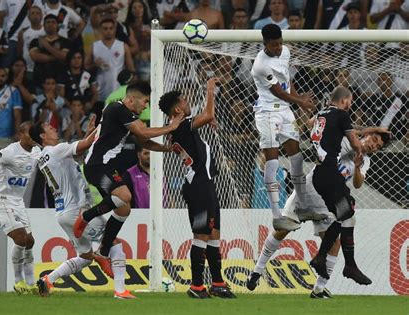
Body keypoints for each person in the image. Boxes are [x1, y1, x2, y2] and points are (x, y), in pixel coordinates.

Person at [246, 127, 390, 297]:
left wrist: (357, 167)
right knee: (282, 230)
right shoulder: (344, 140)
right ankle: (257, 271)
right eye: (374, 140)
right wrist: (365, 133)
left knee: (334, 243)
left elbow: (358, 184)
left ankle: (319, 289)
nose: (374, 146)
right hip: (307, 190)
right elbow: (341, 130)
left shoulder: (365, 161)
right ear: (365, 136)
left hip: (326, 201)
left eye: (378, 147)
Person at [73, 81, 183, 277]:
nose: (146, 107)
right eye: (145, 102)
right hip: (97, 166)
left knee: (124, 208)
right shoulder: (117, 108)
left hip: (108, 166)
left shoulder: (122, 113)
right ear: (132, 99)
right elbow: (142, 131)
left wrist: (166, 149)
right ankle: (86, 217)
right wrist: (171, 126)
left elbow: (144, 141)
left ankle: (102, 252)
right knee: (124, 195)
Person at [30, 120, 135, 299]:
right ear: (42, 136)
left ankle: (48, 279)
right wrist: (104, 125)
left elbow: (79, 152)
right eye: (49, 127)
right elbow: (86, 145)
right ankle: (120, 291)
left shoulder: (44, 157)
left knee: (86, 257)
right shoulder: (57, 149)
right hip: (77, 211)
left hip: (62, 213)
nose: (54, 128)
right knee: (113, 243)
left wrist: (88, 133)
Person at [158, 78, 236, 299]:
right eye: (185, 100)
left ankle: (218, 282)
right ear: (177, 108)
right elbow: (209, 115)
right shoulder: (181, 125)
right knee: (201, 234)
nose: (188, 101)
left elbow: (202, 122)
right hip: (199, 186)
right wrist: (210, 90)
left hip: (204, 184)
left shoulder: (178, 128)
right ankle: (196, 285)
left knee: (213, 233)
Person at [250, 23, 314, 231]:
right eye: (274, 45)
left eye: (280, 43)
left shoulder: (285, 51)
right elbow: (277, 91)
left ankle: (303, 206)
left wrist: (297, 100)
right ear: (265, 44)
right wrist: (299, 102)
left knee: (297, 157)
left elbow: (286, 80)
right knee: (273, 161)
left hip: (285, 110)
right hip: (267, 112)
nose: (278, 48)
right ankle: (277, 215)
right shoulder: (260, 65)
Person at [308, 86, 371, 285]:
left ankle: (324, 258)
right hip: (328, 173)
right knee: (348, 210)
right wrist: (361, 151)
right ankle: (347, 265)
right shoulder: (341, 114)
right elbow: (354, 142)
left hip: (319, 173)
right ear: (344, 100)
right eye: (350, 101)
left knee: (344, 215)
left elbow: (308, 127)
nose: (350, 105)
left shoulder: (321, 114)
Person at [0, 121, 40, 294]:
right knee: (20, 239)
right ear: (20, 135)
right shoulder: (10, 151)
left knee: (30, 242)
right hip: (1, 199)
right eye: (29, 133)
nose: (33, 136)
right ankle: (18, 283)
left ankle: (31, 283)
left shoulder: (37, 151)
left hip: (17, 201)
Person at [85, 18, 135, 101]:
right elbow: (86, 67)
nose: (108, 31)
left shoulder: (123, 46)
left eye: (111, 28)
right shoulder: (94, 46)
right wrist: (95, 65)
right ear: (100, 30)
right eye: (105, 28)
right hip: (100, 90)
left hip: (119, 90)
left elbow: (131, 69)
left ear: (115, 29)